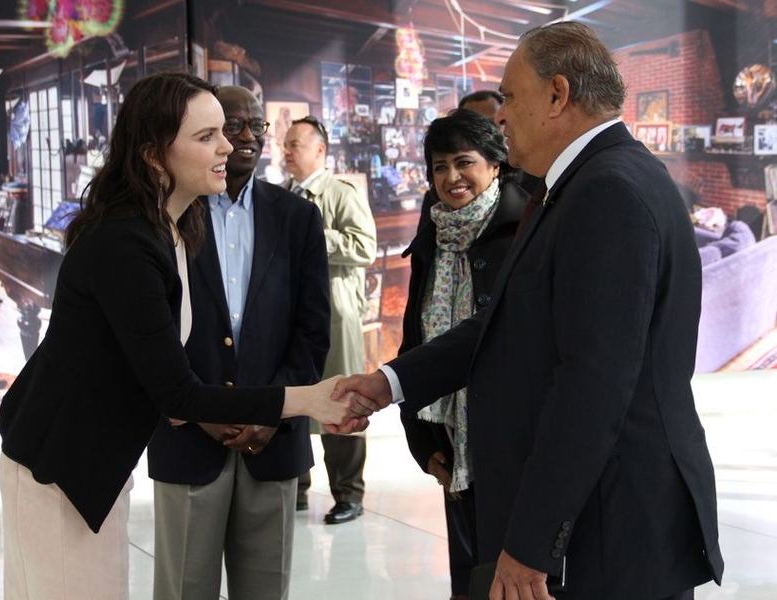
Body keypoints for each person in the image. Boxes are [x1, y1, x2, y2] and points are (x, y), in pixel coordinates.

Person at [335, 22, 724, 599]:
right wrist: (389, 382)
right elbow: (506, 322)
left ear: (557, 94)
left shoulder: (606, 192)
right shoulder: (577, 185)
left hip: (607, 528)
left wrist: (534, 544)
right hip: (596, 516)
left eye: (511, 97)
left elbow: (592, 384)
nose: (502, 117)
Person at [0, 73, 353, 600]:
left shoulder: (171, 228)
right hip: (60, 462)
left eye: (228, 133)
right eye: (207, 136)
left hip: (100, 460)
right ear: (154, 155)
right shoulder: (125, 242)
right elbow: (177, 395)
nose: (230, 146)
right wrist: (311, 400)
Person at [146, 86, 330, 600]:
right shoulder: (168, 218)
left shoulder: (297, 218)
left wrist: (270, 410)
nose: (244, 138)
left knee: (266, 590)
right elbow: (153, 331)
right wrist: (197, 405)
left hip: (270, 440)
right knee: (184, 588)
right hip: (188, 438)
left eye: (256, 126)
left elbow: (313, 332)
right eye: (229, 127)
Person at [399, 109, 527, 600]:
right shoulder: (434, 232)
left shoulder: (526, 228)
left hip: (514, 440)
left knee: (517, 577)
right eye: (439, 166)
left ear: (496, 164)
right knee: (470, 578)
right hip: (454, 445)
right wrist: (421, 439)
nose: (451, 178)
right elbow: (416, 340)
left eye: (464, 162)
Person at [284, 115, 377, 523]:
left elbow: (364, 246)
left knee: (343, 400)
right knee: (296, 401)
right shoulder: (283, 195)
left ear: (319, 150)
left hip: (335, 313)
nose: (286, 152)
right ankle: (296, 489)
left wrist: (312, 233)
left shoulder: (339, 193)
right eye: (284, 145)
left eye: (294, 145)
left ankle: (349, 494)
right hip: (291, 316)